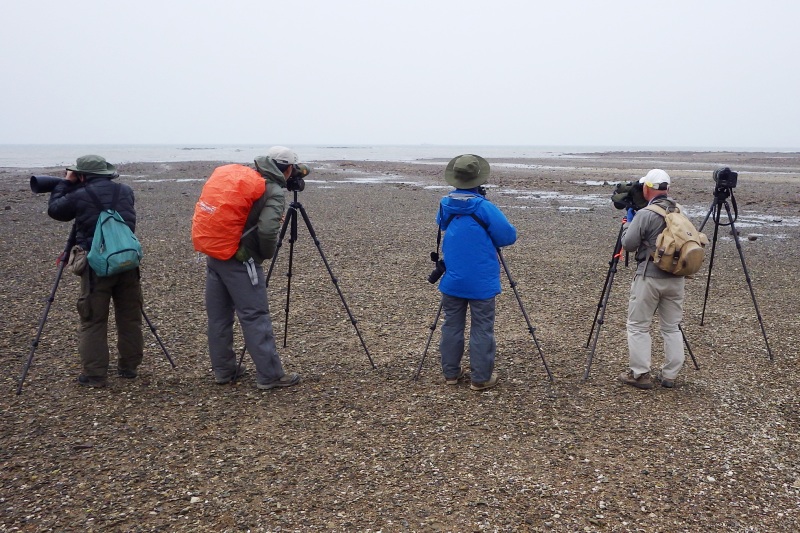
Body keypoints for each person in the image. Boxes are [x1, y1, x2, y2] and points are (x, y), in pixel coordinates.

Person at [204, 146, 301, 390]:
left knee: (218, 318)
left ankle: (223, 370)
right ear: (288, 169)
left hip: (216, 252)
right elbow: (268, 230)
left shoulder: (245, 178)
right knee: (255, 316)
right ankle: (270, 375)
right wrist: (264, 254)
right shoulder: (273, 190)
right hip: (240, 259)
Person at [48, 155, 143, 387]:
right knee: (130, 317)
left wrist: (66, 183)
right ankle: (129, 368)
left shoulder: (79, 195)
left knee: (93, 320)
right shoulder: (125, 191)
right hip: (127, 261)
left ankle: (95, 374)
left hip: (97, 264)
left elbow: (56, 210)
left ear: (82, 175)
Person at [435, 154, 517, 391]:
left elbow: (441, 224)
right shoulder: (483, 207)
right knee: (482, 327)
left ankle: (451, 373)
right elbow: (507, 236)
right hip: (481, 281)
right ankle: (480, 378)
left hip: (452, 278)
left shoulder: (445, 203)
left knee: (451, 324)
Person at [619, 169, 685, 389]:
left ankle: (640, 374)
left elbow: (628, 244)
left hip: (649, 275)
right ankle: (670, 375)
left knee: (638, 326)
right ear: (667, 189)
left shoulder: (646, 214)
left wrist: (628, 223)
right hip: (676, 276)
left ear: (647, 188)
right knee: (672, 327)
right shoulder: (679, 211)